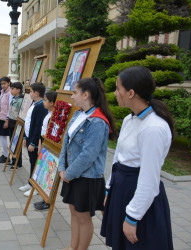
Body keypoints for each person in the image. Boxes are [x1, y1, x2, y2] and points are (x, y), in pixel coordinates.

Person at [100, 66, 174, 250]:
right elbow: (118, 158)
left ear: (131, 93)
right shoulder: (129, 119)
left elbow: (149, 179)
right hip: (122, 189)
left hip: (140, 197)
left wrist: (132, 217)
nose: (115, 93)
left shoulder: (153, 128)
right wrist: (109, 189)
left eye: (118, 89)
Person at [58, 77, 116, 250]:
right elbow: (66, 143)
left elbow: (88, 156)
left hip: (87, 178)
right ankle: (72, 246)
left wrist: (68, 173)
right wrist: (62, 167)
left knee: (83, 218)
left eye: (75, 93)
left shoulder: (98, 121)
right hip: (72, 175)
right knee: (74, 214)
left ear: (86, 94)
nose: (72, 96)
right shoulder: (78, 114)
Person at [18, 82, 48, 197]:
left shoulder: (41, 106)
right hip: (29, 137)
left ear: (36, 93)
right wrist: (26, 137)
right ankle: (31, 182)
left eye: (30, 91)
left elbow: (38, 126)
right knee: (31, 162)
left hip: (35, 141)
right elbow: (28, 122)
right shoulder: (34, 103)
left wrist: (33, 142)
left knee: (36, 163)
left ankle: (36, 186)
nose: (29, 93)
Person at [34, 90, 57, 211]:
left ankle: (47, 201)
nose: (44, 102)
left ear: (52, 103)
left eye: (46, 100)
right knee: (43, 172)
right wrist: (39, 145)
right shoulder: (48, 114)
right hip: (43, 144)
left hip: (48, 148)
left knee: (49, 174)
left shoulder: (54, 117)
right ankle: (43, 198)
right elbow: (42, 132)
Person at [7, 82, 24, 169]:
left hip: (16, 124)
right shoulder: (14, 98)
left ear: (18, 90)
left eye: (13, 89)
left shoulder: (20, 100)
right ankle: (14, 160)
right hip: (11, 123)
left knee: (17, 144)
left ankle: (18, 162)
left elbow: (21, 114)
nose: (11, 90)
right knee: (12, 142)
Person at [0, 77, 11, 163]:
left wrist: (7, 120)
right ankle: (5, 154)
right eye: (1, 84)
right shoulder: (2, 92)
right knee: (1, 136)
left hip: (6, 119)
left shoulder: (10, 93)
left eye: (4, 83)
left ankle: (7, 156)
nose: (3, 85)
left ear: (9, 83)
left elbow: (10, 107)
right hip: (1, 117)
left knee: (4, 136)